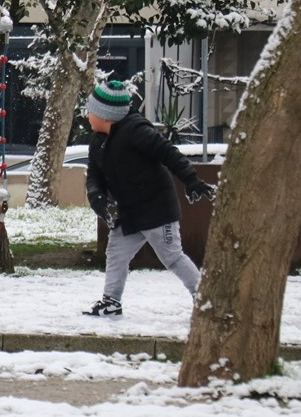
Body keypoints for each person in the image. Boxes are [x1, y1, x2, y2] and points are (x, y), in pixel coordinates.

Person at [82, 80, 216, 317]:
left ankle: (204, 299)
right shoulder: (98, 141)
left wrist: (191, 180)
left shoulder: (136, 131)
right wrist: (98, 199)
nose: (87, 115)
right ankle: (111, 302)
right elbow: (94, 176)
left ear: (106, 115)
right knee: (116, 254)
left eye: (91, 110)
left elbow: (169, 154)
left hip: (157, 210)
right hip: (128, 213)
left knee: (172, 256)